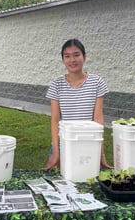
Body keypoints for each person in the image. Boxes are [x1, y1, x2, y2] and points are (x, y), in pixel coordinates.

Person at [43, 38, 112, 171]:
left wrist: (101, 153)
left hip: (89, 142)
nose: (72, 60)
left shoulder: (97, 82)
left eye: (76, 55)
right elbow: (55, 120)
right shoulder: (56, 85)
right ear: (63, 60)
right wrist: (57, 151)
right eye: (67, 56)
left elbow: (98, 120)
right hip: (64, 143)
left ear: (84, 57)